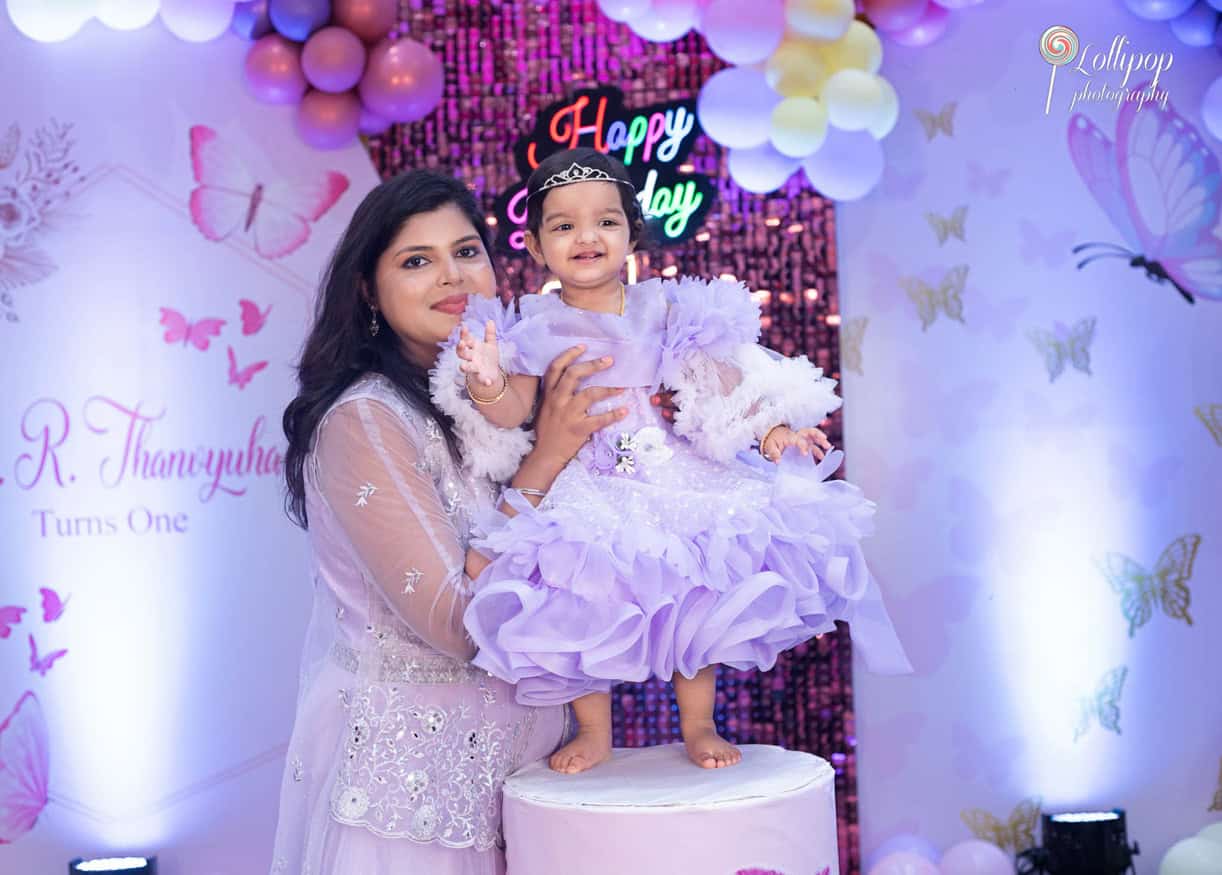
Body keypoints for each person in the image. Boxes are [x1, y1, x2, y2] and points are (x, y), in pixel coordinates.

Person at [434, 147, 910, 776]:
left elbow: (722, 383)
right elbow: (512, 411)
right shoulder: (535, 326)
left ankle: (699, 723)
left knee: (694, 593)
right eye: (564, 225)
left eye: (605, 221)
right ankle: (594, 730)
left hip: (671, 468)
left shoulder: (667, 311)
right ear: (534, 246)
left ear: (633, 232)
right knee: (581, 595)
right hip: (587, 475)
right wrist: (489, 380)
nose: (586, 237)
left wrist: (770, 432)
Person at [271, 169, 630, 875]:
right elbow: (459, 623)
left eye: (467, 251)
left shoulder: (507, 398)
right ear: (369, 291)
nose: (451, 275)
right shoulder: (366, 421)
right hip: (412, 804)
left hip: (533, 784)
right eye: (416, 260)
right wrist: (548, 457)